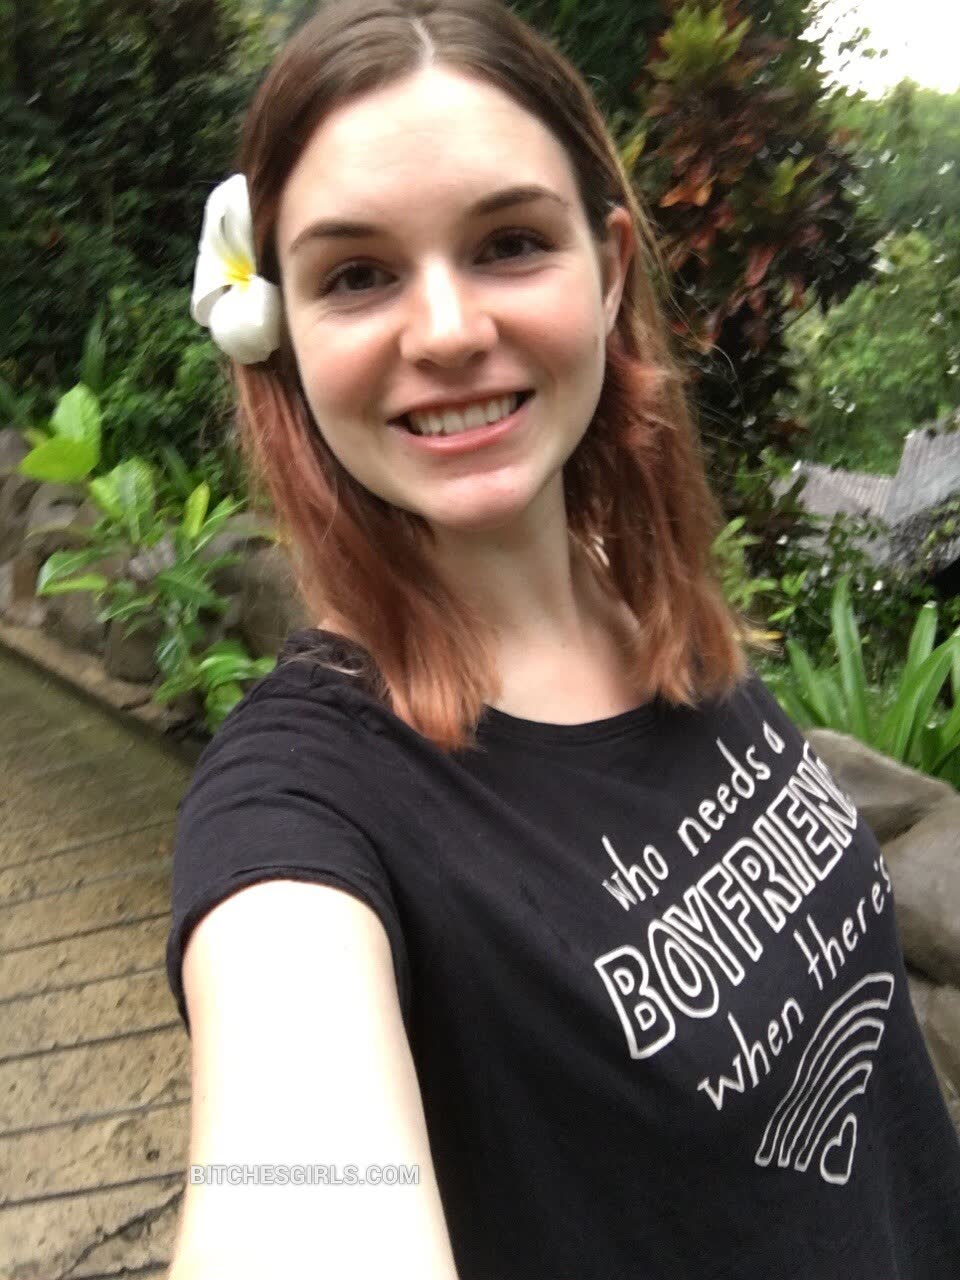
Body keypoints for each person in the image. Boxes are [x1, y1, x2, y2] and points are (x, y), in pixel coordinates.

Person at [164, 1, 960, 1276]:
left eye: (510, 244)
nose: (446, 330)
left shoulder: (650, 619)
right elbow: (295, 1149)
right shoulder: (298, 811)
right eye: (357, 274)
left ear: (609, 269)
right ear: (285, 335)